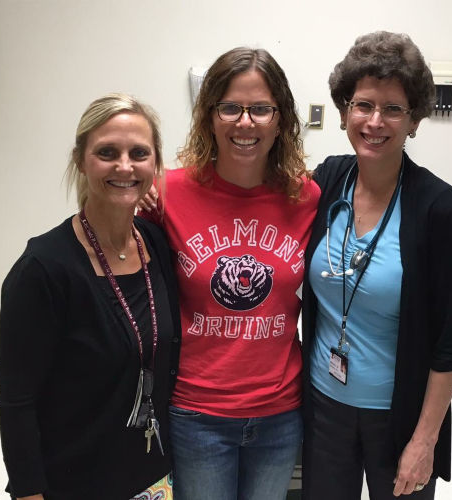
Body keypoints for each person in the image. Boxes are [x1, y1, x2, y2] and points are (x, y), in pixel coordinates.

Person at [140, 47, 320, 499]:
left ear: (281, 120)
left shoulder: (307, 197)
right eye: (231, 107)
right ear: (210, 115)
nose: (246, 122)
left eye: (261, 109)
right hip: (197, 413)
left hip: (281, 410)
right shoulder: (166, 193)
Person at [301, 32, 452, 499]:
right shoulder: (327, 179)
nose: (375, 121)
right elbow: (255, 193)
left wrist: (425, 440)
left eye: (393, 108)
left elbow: (451, 343)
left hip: (398, 417)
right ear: (343, 112)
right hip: (323, 405)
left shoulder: (439, 208)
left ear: (414, 119)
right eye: (363, 105)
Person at [0, 93, 181, 500]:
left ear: (155, 164)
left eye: (139, 153)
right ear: (81, 160)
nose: (125, 166)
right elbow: (17, 404)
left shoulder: (154, 242)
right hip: (73, 483)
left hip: (154, 479)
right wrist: (29, 494)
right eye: (107, 152)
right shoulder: (43, 269)